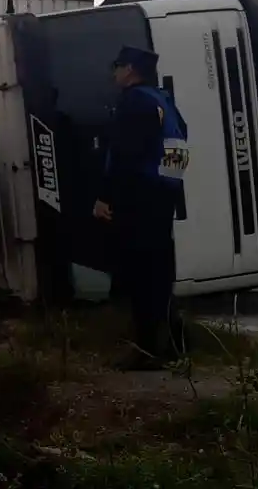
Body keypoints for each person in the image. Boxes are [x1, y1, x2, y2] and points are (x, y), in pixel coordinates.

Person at [93, 46, 190, 371]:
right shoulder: (163, 100)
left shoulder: (134, 102)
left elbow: (123, 154)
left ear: (131, 69)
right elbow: (180, 145)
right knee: (160, 275)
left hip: (139, 199)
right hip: (162, 197)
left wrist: (106, 197)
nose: (114, 72)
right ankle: (175, 344)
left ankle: (148, 350)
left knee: (140, 276)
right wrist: (168, 190)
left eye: (117, 66)